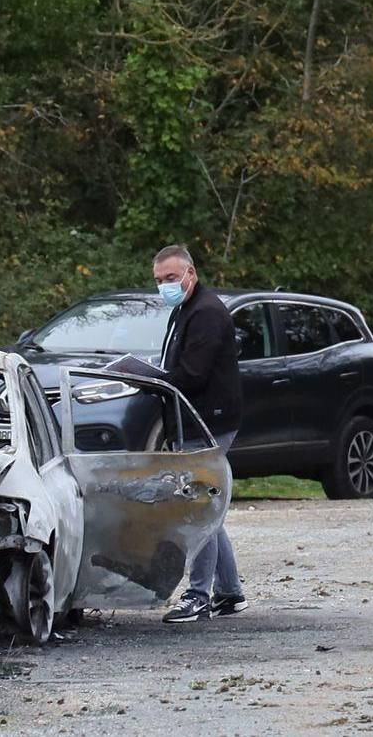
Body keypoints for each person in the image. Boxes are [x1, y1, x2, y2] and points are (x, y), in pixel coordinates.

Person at [151, 245, 247, 624]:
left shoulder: (205, 312)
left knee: (199, 508)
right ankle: (229, 592)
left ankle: (199, 595)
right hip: (196, 419)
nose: (165, 286)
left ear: (190, 273)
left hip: (209, 421)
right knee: (208, 511)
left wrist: (153, 381)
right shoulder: (185, 309)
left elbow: (192, 374)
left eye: (171, 279)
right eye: (159, 281)